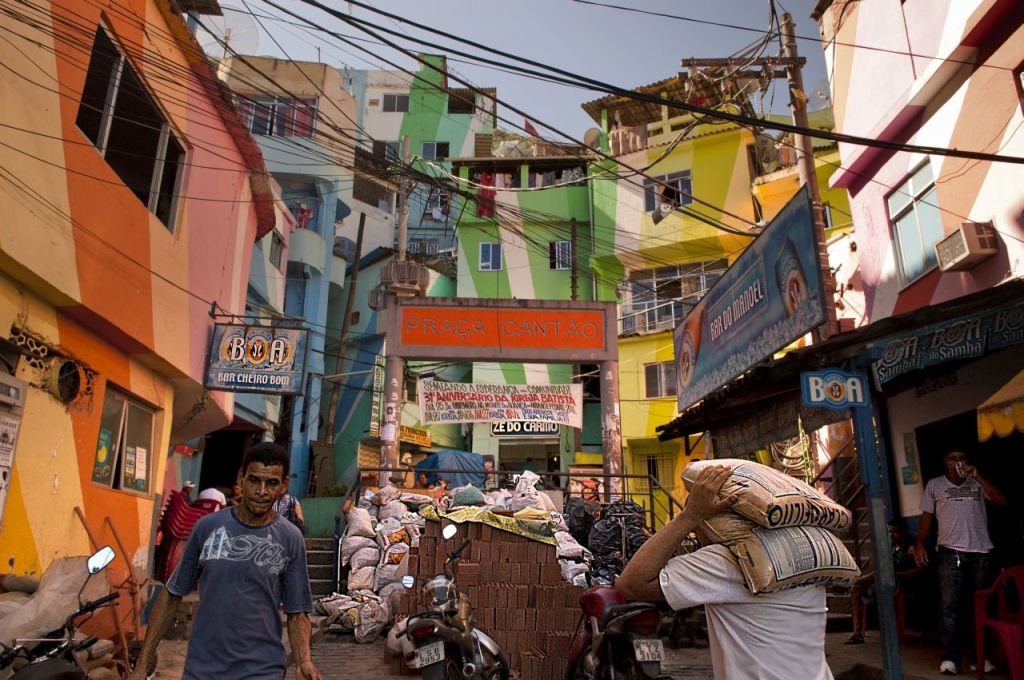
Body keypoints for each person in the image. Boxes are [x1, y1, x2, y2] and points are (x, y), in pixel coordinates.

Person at [616, 466, 834, 680]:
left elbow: (631, 584)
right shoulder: (802, 557)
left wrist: (689, 515)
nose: (695, 530)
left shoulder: (728, 561)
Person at [130, 443, 322, 680]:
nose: (261, 491)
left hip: (262, 669)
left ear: (284, 486)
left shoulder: (290, 538)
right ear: (241, 478)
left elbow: (297, 612)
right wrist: (142, 664)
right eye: (254, 480)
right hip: (202, 668)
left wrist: (304, 661)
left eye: (271, 483)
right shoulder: (207, 527)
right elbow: (172, 594)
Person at [914, 450, 1005, 675]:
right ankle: (949, 658)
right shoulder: (935, 485)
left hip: (981, 551)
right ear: (946, 462)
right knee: (950, 607)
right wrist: (919, 543)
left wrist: (978, 477)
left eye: (962, 458)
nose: (958, 462)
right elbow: (926, 516)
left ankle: (979, 658)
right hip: (950, 552)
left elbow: (1000, 500)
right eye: (953, 458)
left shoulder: (976, 482)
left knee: (981, 606)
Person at [844, 520, 921, 645]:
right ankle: (857, 633)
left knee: (879, 573)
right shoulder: (890, 546)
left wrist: (898, 575)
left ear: (904, 532)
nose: (891, 535)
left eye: (894, 532)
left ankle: (848, 583)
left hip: (901, 584)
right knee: (856, 588)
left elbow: (920, 571)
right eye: (889, 532)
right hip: (882, 582)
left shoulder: (911, 546)